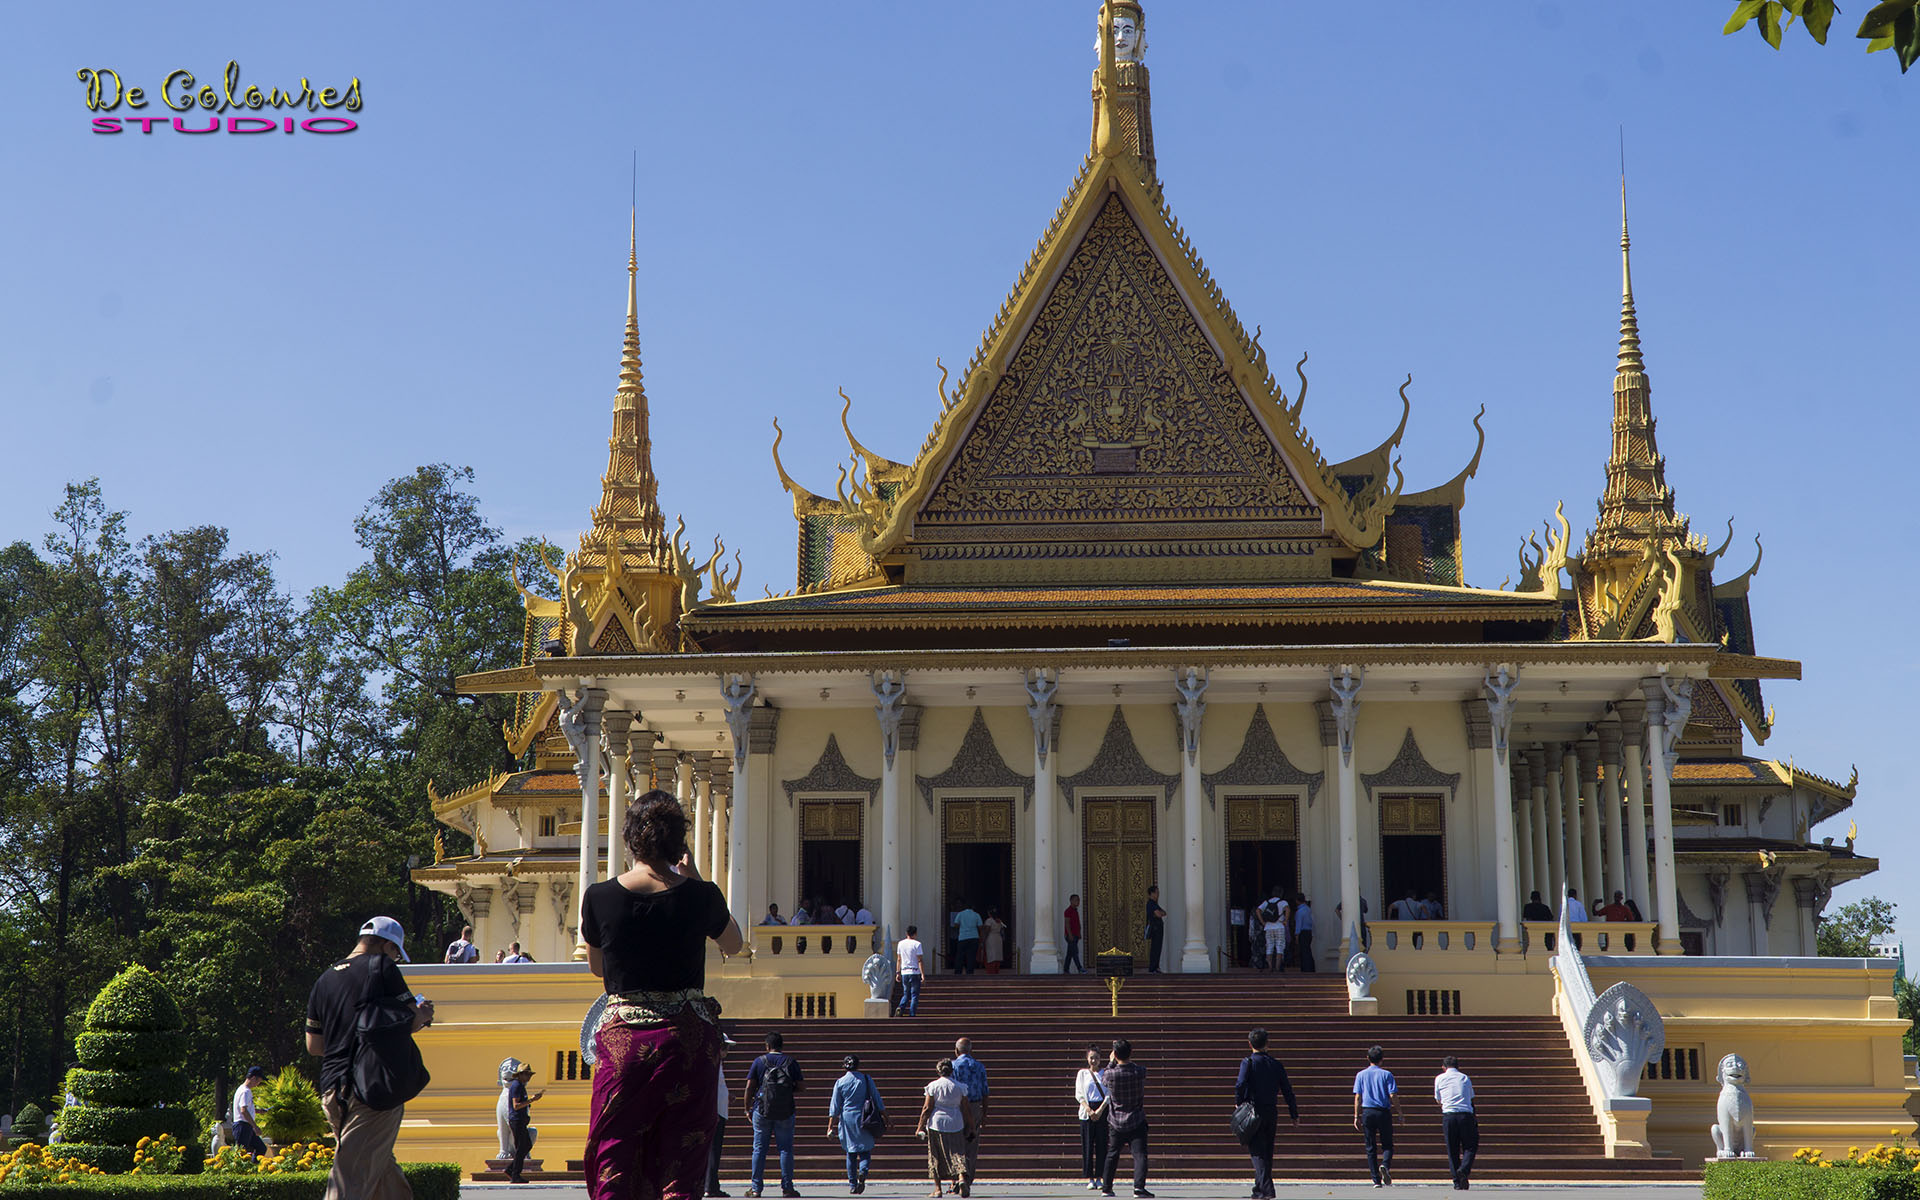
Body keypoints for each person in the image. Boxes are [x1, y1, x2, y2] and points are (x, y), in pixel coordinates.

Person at [580, 788, 745, 1200]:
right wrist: (694, 881)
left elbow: (599, 968)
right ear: (678, 843)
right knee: (681, 1165)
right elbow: (735, 944)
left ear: (630, 838)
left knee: (615, 1155)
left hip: (624, 1042)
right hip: (686, 1042)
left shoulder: (599, 897)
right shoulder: (699, 895)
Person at [305, 914, 434, 1200]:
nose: (395, 958)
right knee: (349, 1181)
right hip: (371, 1089)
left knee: (382, 1174)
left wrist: (346, 1044)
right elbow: (410, 1020)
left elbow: (314, 1045)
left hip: (331, 1089)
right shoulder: (381, 967)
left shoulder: (324, 980)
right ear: (386, 946)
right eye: (396, 952)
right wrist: (424, 1014)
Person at [1235, 1028, 1298, 1200]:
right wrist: (1294, 1113)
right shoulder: (1276, 1064)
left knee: (1257, 1152)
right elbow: (1287, 1089)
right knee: (1267, 1151)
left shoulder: (1247, 1062)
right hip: (1271, 1111)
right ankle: (1259, 1189)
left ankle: (1268, 1189)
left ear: (1250, 1044)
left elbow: (1240, 1084)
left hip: (1253, 1111)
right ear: (1267, 1043)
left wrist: (1239, 1102)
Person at [747, 1032, 806, 1198]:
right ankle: (787, 1188)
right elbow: (802, 1087)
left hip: (761, 1109)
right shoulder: (791, 1062)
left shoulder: (759, 1061)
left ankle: (756, 1188)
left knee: (759, 1149)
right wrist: (787, 1090)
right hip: (786, 1111)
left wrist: (747, 1108)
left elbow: (749, 1087)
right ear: (782, 1046)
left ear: (767, 1046)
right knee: (785, 1149)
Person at [915, 1058, 976, 1198]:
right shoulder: (960, 1087)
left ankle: (937, 1189)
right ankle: (961, 1178)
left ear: (938, 1071)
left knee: (935, 1155)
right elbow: (966, 1109)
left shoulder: (933, 1086)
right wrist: (971, 1126)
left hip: (937, 1123)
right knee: (958, 1152)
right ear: (951, 1070)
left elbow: (927, 1108)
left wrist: (920, 1126)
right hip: (956, 1122)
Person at [1098, 1039, 1151, 1198]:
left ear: (1115, 1055)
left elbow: (1104, 1077)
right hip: (1136, 1118)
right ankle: (1139, 1187)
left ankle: (1107, 1187)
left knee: (1112, 1154)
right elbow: (1138, 1068)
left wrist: (1111, 1062)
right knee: (1140, 1155)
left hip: (1116, 1120)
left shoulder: (1111, 1073)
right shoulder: (1139, 1071)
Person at [828, 1054, 884, 1194]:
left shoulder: (840, 1082)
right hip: (864, 1117)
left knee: (850, 1152)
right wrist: (886, 1116)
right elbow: (877, 1099)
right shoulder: (866, 1079)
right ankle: (863, 1172)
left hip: (847, 1118)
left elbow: (834, 1106)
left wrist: (830, 1126)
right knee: (865, 1151)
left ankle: (852, 1184)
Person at [1352, 1044, 1398, 1188]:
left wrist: (1356, 1116)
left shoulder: (1361, 1075)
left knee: (1370, 1146)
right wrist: (1400, 1112)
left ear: (1367, 1058)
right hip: (1383, 1111)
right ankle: (1385, 1164)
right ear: (1382, 1059)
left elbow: (1358, 1096)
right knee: (1388, 1144)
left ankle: (1376, 1180)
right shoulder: (1387, 1074)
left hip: (1367, 1112)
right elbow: (1393, 1095)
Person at [1434, 1056, 1478, 1191]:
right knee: (1470, 1146)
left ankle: (1456, 1182)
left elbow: (1438, 1099)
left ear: (1444, 1067)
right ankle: (1463, 1170)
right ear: (1458, 1066)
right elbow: (1470, 1097)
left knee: (1452, 1149)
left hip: (1449, 1116)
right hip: (1465, 1115)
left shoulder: (1439, 1078)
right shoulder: (1465, 1078)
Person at [950, 1039, 990, 1181]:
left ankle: (956, 1177)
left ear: (956, 1051)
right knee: (972, 1144)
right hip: (975, 1107)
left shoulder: (953, 1066)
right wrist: (984, 1114)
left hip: (957, 1106)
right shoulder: (979, 1067)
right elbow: (985, 1092)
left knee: (955, 1143)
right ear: (970, 1050)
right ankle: (968, 1178)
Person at [1075, 1045, 1110, 1191]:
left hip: (1102, 1111)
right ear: (1087, 1058)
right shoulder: (1082, 1074)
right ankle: (1089, 1177)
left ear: (1100, 1058)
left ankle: (1099, 1177)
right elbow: (1079, 1094)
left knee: (1102, 1146)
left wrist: (1100, 1110)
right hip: (1087, 1112)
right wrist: (1089, 1110)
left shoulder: (1105, 1073)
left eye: (1096, 1057)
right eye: (1091, 1057)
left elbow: (1109, 1093)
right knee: (1088, 1146)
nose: (1093, 1060)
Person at [707, 1035, 738, 1197]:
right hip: (715, 1111)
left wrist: (727, 1095)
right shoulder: (713, 1064)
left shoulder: (717, 1063)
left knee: (714, 1150)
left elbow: (719, 1086)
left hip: (719, 1108)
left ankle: (712, 1183)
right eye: (725, 1046)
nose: (727, 1050)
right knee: (713, 1150)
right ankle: (710, 1186)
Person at [504, 1061, 543, 1184]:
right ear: (520, 1075)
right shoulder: (516, 1086)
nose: (529, 1077)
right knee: (523, 1147)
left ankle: (512, 1170)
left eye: (529, 1075)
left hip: (520, 1121)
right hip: (517, 1120)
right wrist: (532, 1100)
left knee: (525, 1146)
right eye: (527, 1074)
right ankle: (515, 1174)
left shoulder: (520, 1086)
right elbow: (516, 1105)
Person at [230, 1066, 268, 1156]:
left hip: (245, 1125)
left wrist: (258, 1111)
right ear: (253, 1078)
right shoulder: (245, 1091)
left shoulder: (242, 1089)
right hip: (243, 1126)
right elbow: (243, 1110)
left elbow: (245, 1108)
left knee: (261, 1148)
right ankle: (239, 1169)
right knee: (240, 1154)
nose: (258, 1084)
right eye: (258, 1081)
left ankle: (253, 1167)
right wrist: (255, 1127)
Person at [898, 926, 927, 1017]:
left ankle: (900, 1007)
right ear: (915, 934)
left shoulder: (900, 944)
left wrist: (897, 972)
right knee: (914, 994)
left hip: (904, 972)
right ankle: (912, 1013)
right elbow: (919, 960)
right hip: (914, 972)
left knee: (906, 994)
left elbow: (899, 959)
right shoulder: (917, 944)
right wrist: (922, 974)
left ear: (906, 933)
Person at [1260, 893, 1288, 973]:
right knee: (1280, 946)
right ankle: (1277, 967)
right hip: (1279, 925)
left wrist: (1262, 922)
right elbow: (1287, 909)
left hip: (1268, 926)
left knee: (1269, 946)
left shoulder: (1267, 902)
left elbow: (1258, 910)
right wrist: (1286, 920)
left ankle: (1270, 967)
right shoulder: (1283, 902)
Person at [951, 903, 982, 975]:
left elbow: (956, 924)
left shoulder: (960, 914)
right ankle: (970, 972)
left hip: (963, 937)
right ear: (973, 907)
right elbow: (980, 927)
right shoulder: (976, 915)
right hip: (974, 937)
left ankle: (958, 972)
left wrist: (962, 926)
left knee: (960, 956)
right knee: (971, 956)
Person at [1143, 887, 1167, 973]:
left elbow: (1164, 912)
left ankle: (1156, 967)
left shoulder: (1154, 904)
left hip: (1158, 928)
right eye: (1157, 892)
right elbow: (1159, 914)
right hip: (1155, 929)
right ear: (1152, 893)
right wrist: (1160, 913)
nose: (1158, 894)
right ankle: (1153, 968)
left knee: (1157, 948)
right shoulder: (1151, 904)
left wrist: (1160, 913)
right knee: (1155, 948)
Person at [1293, 895, 1315, 972]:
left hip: (1303, 933)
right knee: (1308, 950)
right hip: (1309, 932)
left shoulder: (1299, 912)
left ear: (1297, 901)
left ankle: (1306, 969)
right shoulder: (1308, 910)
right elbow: (1312, 921)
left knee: (1304, 951)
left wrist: (1296, 935)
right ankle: (1310, 968)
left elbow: (1298, 924)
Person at [1064, 895, 1086, 973]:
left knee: (1069, 954)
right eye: (1076, 900)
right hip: (1071, 936)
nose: (1078, 902)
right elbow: (1067, 923)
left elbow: (1077, 923)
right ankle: (1079, 968)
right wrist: (1070, 935)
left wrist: (1079, 933)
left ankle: (1066, 969)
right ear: (1071, 901)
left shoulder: (1075, 911)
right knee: (1075, 952)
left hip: (1075, 935)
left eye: (1078, 900)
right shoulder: (1068, 911)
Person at [981, 908, 1006, 973]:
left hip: (991, 938)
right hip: (998, 938)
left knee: (991, 954)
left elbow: (987, 930)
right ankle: (996, 970)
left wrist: (983, 939)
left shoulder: (989, 920)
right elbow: (1002, 931)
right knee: (997, 954)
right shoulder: (999, 921)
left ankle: (990, 970)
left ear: (989, 913)